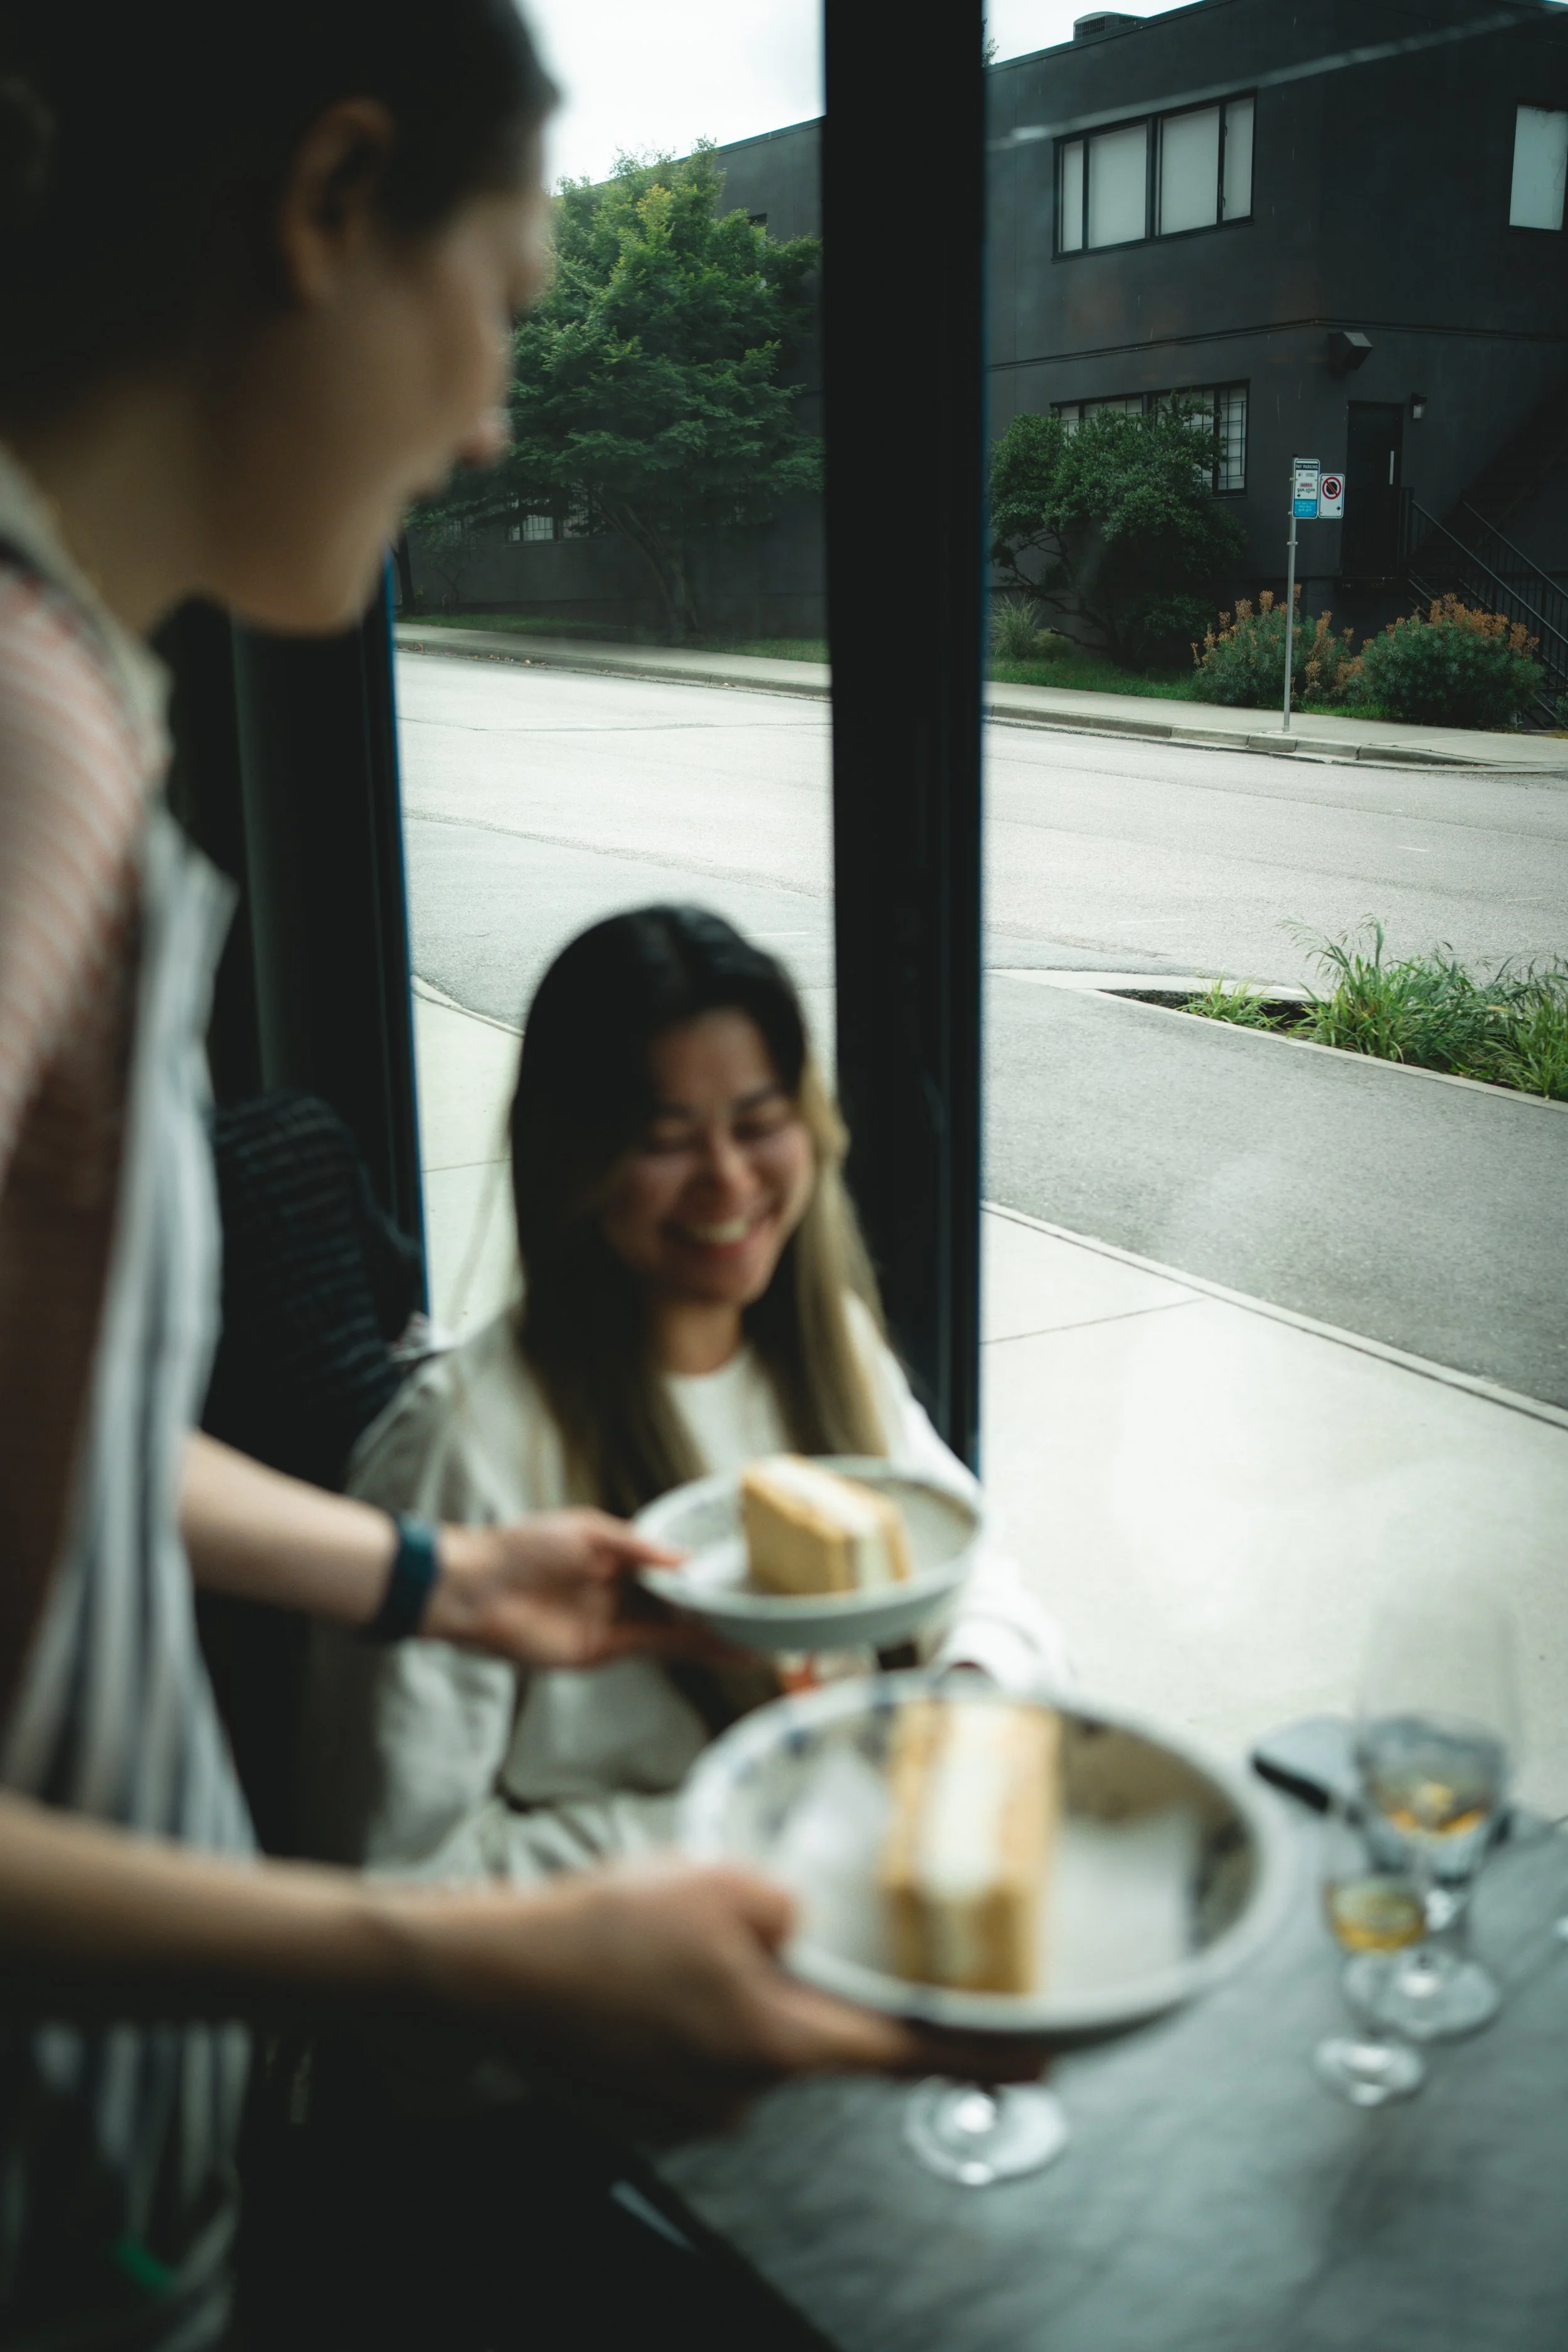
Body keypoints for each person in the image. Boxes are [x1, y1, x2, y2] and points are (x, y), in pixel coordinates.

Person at [0, 10, 987, 2346]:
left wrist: (443, 1579)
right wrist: (446, 1946)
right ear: (334, 202)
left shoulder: (85, 704)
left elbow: (59, 1455)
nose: (492, 418)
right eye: (512, 303)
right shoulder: (26, 730)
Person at [304, 906, 1069, 1890]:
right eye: (668, 1140)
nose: (728, 1180)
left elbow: (978, 1574)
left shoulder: (828, 1345)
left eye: (759, 1123)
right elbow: (391, 1875)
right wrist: (769, 1814)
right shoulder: (461, 1449)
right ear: (575, 1159)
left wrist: (969, 1691)